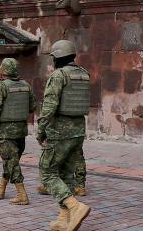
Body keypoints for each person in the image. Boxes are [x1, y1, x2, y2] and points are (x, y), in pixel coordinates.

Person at [37, 39, 91, 231]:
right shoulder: (84, 74)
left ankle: (75, 207)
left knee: (47, 172)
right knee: (67, 174)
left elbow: (49, 107)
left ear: (57, 56)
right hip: (78, 131)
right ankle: (64, 218)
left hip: (60, 131)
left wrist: (40, 131)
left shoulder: (59, 76)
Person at [0, 57, 37, 205]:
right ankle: (1, 189)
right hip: (21, 131)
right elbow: (33, 106)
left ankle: (22, 195)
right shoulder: (26, 85)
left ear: (3, 71)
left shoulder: (2, 86)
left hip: (7, 131)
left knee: (11, 162)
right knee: (12, 160)